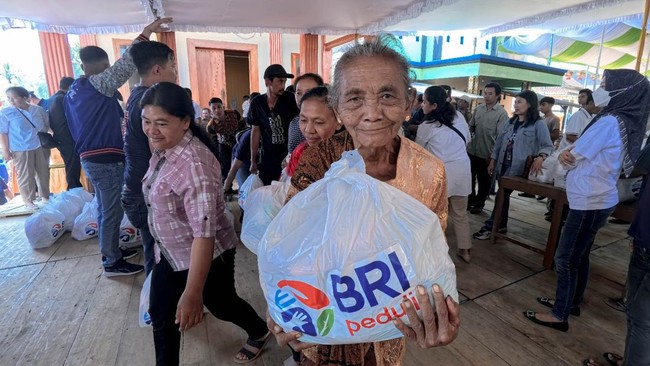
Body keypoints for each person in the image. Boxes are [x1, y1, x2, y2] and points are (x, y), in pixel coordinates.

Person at [268, 39, 460, 366]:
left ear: (409, 102)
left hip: (386, 334)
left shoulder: (429, 172)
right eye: (355, 98)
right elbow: (288, 249)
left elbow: (431, 258)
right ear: (339, 109)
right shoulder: (318, 161)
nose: (372, 113)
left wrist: (441, 316)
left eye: (387, 95)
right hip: (321, 327)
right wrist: (278, 312)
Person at [140, 82, 270, 365]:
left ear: (185, 121)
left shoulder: (194, 164)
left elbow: (204, 235)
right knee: (161, 314)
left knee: (222, 304)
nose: (151, 130)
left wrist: (192, 291)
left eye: (161, 123)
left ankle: (259, 330)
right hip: (170, 253)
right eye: (146, 121)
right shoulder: (164, 147)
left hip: (208, 255)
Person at [524, 69, 650, 333]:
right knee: (579, 255)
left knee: (565, 257)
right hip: (598, 197)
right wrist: (569, 155)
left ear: (622, 92)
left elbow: (574, 154)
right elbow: (574, 153)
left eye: (605, 85)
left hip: (590, 199)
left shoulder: (608, 122)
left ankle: (560, 314)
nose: (599, 89)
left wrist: (568, 155)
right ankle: (571, 302)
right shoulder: (622, 121)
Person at [64, 18, 171, 276]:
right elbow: (129, 63)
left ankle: (110, 250)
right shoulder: (96, 85)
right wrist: (147, 32)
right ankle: (111, 261)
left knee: (104, 208)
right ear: (102, 67)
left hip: (89, 157)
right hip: (104, 158)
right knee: (111, 210)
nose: (109, 73)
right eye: (106, 69)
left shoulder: (73, 91)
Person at [121, 40, 177, 276]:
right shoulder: (151, 102)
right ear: (157, 70)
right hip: (149, 191)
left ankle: (156, 306)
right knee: (161, 255)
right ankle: (161, 308)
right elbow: (158, 152)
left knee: (153, 250)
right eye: (172, 65)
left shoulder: (135, 96)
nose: (175, 72)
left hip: (136, 184)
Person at [473, 90, 554, 240]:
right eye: (515, 102)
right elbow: (499, 143)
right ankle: (501, 224)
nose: (516, 105)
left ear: (529, 104)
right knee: (503, 195)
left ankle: (491, 226)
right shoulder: (510, 122)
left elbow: (548, 146)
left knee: (501, 196)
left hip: (519, 168)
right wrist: (493, 159)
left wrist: (541, 157)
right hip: (503, 165)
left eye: (519, 102)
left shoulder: (538, 124)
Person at [415, 86, 472, 263]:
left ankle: (435, 251)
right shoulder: (459, 116)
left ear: (433, 105)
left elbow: (419, 151)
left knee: (434, 213)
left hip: (441, 175)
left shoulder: (426, 126)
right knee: (460, 213)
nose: (421, 104)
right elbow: (468, 139)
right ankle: (465, 249)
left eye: (424, 101)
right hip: (462, 170)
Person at [0, 86, 51, 210]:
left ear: (25, 97)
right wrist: (6, 150)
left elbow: (46, 126)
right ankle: (29, 201)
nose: (11, 100)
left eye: (14, 97)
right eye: (9, 98)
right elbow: (3, 132)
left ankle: (45, 197)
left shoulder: (38, 110)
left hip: (40, 146)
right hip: (20, 148)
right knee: (25, 175)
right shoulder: (6, 113)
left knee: (43, 172)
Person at [248, 64, 299, 185]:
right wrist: (253, 160)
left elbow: (299, 125)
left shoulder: (290, 99)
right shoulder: (257, 103)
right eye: (280, 81)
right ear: (267, 81)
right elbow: (255, 132)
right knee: (267, 190)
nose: (283, 86)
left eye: (285, 82)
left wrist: (293, 154)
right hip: (268, 157)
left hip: (287, 156)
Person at [467, 83, 509, 214]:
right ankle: (470, 201)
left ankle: (479, 204)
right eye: (485, 93)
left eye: (490, 94)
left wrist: (493, 156)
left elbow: (501, 136)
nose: (487, 96)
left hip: (487, 154)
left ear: (497, 96)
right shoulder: (479, 109)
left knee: (484, 181)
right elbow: (471, 126)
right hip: (472, 150)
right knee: (469, 177)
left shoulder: (501, 114)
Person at [285, 86, 342, 178]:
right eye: (303, 120)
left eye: (318, 122)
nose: (308, 130)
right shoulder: (299, 154)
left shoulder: (353, 156)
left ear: (339, 121)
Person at [47, 76, 81, 190]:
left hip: (60, 137)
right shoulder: (63, 98)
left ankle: (74, 188)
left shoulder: (52, 99)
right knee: (73, 165)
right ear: (70, 87)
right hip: (68, 137)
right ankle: (74, 189)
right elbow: (72, 118)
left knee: (70, 164)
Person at [287, 73, 324, 154]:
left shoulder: (332, 121)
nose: (302, 98)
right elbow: (291, 153)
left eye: (309, 92)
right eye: (299, 93)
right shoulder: (294, 123)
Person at [206, 97, 239, 180]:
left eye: (219, 107)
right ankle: (227, 188)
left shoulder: (234, 113)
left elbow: (243, 127)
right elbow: (214, 141)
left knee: (240, 164)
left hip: (238, 142)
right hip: (224, 145)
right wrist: (218, 154)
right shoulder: (211, 126)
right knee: (226, 167)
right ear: (211, 112)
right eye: (214, 108)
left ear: (223, 107)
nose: (217, 110)